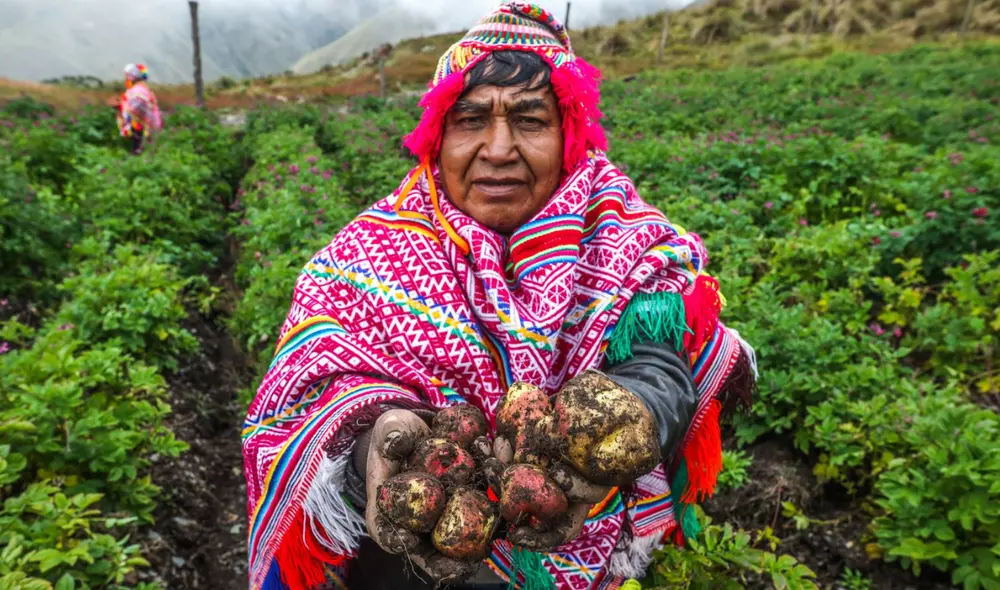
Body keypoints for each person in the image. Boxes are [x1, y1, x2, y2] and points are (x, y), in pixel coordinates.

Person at [241, 3, 758, 590]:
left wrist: (633, 410)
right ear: (437, 138)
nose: (498, 148)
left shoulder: (627, 240)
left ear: (569, 135)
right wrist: (371, 448)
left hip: (582, 549)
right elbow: (309, 398)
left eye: (531, 120)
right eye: (470, 119)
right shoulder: (361, 256)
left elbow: (660, 367)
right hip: (402, 569)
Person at [116, 63, 162, 154]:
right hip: (141, 121)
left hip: (141, 122)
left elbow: (139, 105)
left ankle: (138, 154)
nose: (126, 77)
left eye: (128, 75)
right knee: (139, 139)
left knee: (139, 140)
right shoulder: (140, 88)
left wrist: (129, 109)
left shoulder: (139, 89)